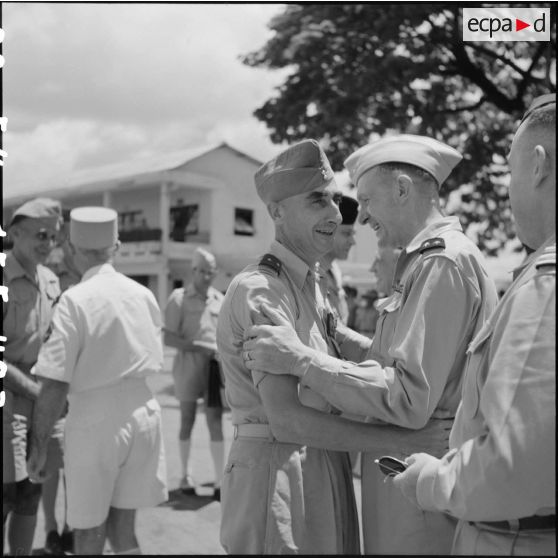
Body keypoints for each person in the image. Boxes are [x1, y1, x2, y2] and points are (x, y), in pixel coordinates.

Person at [242, 134, 499, 554]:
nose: (361, 219)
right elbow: (395, 362)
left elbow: (408, 394)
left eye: (367, 200)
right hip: (414, 484)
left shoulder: (440, 262)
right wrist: (339, 337)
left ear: (401, 188)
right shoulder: (429, 260)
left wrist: (302, 359)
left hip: (420, 495)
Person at [393, 94, 556, 555]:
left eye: (510, 170)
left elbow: (511, 467)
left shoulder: (544, 289)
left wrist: (429, 479)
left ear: (538, 166)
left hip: (518, 537)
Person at [26, 206, 168, 555]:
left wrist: (39, 443)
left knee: (88, 533)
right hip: (145, 415)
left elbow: (56, 382)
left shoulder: (74, 300)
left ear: (73, 249)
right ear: (115, 246)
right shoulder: (144, 294)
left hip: (95, 422)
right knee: (124, 532)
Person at [2, 198, 62, 556]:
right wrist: (39, 392)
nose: (48, 243)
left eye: (53, 236)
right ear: (15, 233)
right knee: (6, 496)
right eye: (41, 234)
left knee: (31, 494)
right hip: (7, 404)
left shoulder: (51, 279)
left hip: (42, 403)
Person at [163, 248, 225, 500]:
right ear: (193, 271)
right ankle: (185, 476)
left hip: (213, 368)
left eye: (211, 272)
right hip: (188, 364)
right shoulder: (178, 298)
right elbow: (167, 336)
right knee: (187, 419)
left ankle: (220, 481)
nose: (207, 277)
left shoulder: (219, 298)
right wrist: (197, 346)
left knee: (215, 420)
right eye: (203, 272)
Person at [41, 212, 82, 555]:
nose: (64, 243)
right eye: (62, 236)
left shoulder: (89, 275)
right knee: (52, 464)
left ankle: (71, 525)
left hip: (82, 385)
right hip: (55, 377)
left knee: (76, 465)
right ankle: (51, 529)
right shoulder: (51, 276)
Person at [319, 195, 358, 324]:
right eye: (347, 233)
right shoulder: (311, 271)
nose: (353, 241)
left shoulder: (334, 271)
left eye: (353, 234)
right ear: (327, 231)